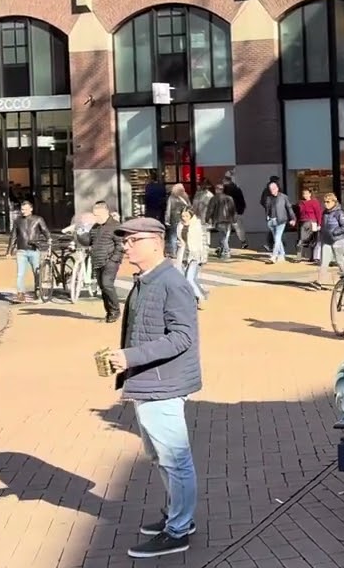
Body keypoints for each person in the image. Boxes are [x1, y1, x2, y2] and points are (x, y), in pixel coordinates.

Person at [103, 217, 201, 559]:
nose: (125, 246)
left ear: (155, 242)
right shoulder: (148, 280)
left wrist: (130, 357)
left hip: (163, 383)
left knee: (175, 459)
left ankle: (179, 530)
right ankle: (178, 518)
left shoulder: (171, 282)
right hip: (149, 381)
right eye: (124, 241)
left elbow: (182, 336)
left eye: (132, 240)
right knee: (162, 457)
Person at [6, 200, 49, 303]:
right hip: (21, 250)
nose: (23, 211)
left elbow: (45, 230)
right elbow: (13, 236)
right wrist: (9, 251)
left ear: (31, 209)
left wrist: (49, 239)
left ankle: (38, 290)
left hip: (34, 249)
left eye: (25, 209)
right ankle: (20, 293)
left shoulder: (38, 219)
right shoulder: (17, 221)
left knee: (37, 272)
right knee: (20, 273)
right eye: (22, 209)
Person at [89, 201, 124, 322]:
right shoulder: (95, 227)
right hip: (98, 261)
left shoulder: (115, 226)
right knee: (103, 288)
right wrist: (77, 234)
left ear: (106, 213)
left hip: (110, 261)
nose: (96, 218)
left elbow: (120, 245)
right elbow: (89, 241)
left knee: (107, 284)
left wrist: (114, 259)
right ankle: (109, 313)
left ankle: (115, 311)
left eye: (98, 215)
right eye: (94, 215)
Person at [314, 192, 344, 290]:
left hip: (338, 240)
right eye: (325, 202)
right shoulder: (325, 213)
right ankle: (319, 282)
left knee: (339, 261)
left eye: (328, 202)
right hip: (326, 240)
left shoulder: (339, 213)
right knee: (324, 262)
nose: (326, 204)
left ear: (334, 202)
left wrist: (335, 232)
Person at [179, 208, 209, 309]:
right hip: (183, 255)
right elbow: (180, 240)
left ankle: (200, 297)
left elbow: (203, 242)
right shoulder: (180, 225)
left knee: (190, 278)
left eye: (186, 216)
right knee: (184, 279)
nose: (184, 218)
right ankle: (195, 297)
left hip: (194, 255)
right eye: (183, 216)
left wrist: (203, 257)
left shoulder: (197, 225)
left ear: (191, 216)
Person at [262, 181, 292, 263]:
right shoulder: (268, 198)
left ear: (277, 188)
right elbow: (267, 208)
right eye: (271, 189)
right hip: (271, 221)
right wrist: (267, 217)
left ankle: (274, 256)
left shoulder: (283, 197)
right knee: (277, 239)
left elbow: (289, 208)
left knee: (277, 238)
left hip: (281, 220)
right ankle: (282, 254)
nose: (272, 190)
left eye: (274, 188)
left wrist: (293, 218)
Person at [207, 184, 237, 260]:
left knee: (223, 236)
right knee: (225, 236)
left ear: (217, 190)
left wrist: (207, 218)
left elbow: (210, 209)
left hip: (219, 220)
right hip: (228, 220)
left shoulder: (214, 198)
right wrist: (234, 219)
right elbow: (233, 210)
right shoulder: (229, 198)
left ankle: (226, 251)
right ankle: (222, 250)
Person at [221, 173, 248, 249]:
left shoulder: (225, 190)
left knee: (227, 229)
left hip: (227, 212)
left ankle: (224, 244)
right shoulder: (237, 189)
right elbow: (241, 201)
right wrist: (240, 210)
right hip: (235, 211)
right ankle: (243, 241)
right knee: (238, 227)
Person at [296, 188, 323, 262]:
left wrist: (319, 224)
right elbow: (298, 213)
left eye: (307, 193)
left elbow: (318, 213)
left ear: (310, 194)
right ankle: (299, 256)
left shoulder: (314, 202)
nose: (305, 195)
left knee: (312, 240)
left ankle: (312, 257)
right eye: (304, 194)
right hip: (302, 222)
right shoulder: (300, 203)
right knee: (301, 239)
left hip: (312, 222)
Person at [164, 184, 190, 261]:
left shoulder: (171, 198)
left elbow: (168, 210)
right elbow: (189, 207)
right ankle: (184, 252)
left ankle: (174, 252)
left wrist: (167, 220)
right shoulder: (185, 196)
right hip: (184, 218)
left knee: (173, 236)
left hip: (174, 219)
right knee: (183, 235)